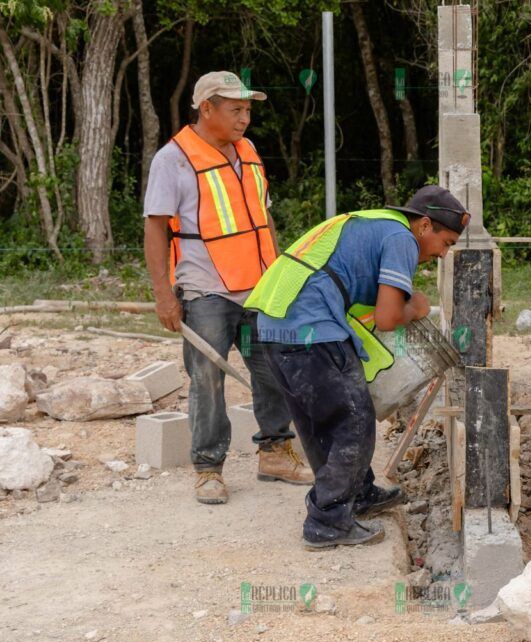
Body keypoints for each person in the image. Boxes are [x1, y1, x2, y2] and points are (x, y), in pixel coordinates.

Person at [246, 185, 467, 549]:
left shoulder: (375, 224)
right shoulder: (402, 239)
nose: (444, 254)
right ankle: (327, 521)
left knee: (320, 420)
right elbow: (388, 316)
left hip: (275, 321)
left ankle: (357, 495)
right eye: (447, 243)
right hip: (310, 324)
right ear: (425, 225)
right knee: (354, 419)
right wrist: (417, 307)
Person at [143, 71, 313, 505]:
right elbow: (156, 228)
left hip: (259, 286)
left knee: (273, 369)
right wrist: (164, 294)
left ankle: (275, 452)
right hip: (206, 290)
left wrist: (279, 274)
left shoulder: (249, 151)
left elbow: (263, 215)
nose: (245, 119)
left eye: (248, 109)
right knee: (207, 379)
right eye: (235, 110)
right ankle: (208, 468)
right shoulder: (173, 159)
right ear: (207, 109)